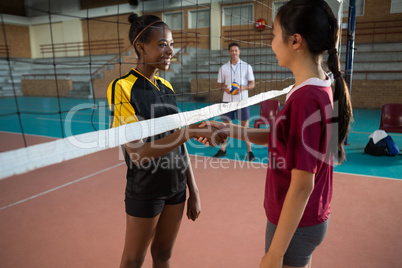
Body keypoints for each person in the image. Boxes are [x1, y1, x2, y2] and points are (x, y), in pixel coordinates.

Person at [198, 0, 352, 267]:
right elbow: (280, 135)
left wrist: (274, 255)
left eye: (273, 35)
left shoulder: (307, 97)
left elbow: (303, 184)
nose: (270, 43)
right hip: (302, 218)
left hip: (295, 222)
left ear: (295, 41)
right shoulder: (317, 83)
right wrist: (225, 128)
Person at [107, 13, 226, 268]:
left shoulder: (166, 88)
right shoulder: (122, 87)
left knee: (163, 255)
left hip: (176, 188)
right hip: (146, 188)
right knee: (133, 260)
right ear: (141, 47)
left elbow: (179, 143)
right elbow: (138, 154)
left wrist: (192, 189)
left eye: (171, 44)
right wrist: (192, 132)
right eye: (162, 44)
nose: (171, 50)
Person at [213, 42, 256, 161]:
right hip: (227, 101)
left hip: (242, 101)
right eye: (232, 51)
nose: (234, 53)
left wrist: (242, 88)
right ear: (229, 52)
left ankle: (249, 151)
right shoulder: (223, 68)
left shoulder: (247, 66)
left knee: (245, 126)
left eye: (236, 50)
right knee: (226, 126)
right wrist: (225, 89)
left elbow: (252, 84)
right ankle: (223, 149)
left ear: (239, 52)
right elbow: (219, 85)